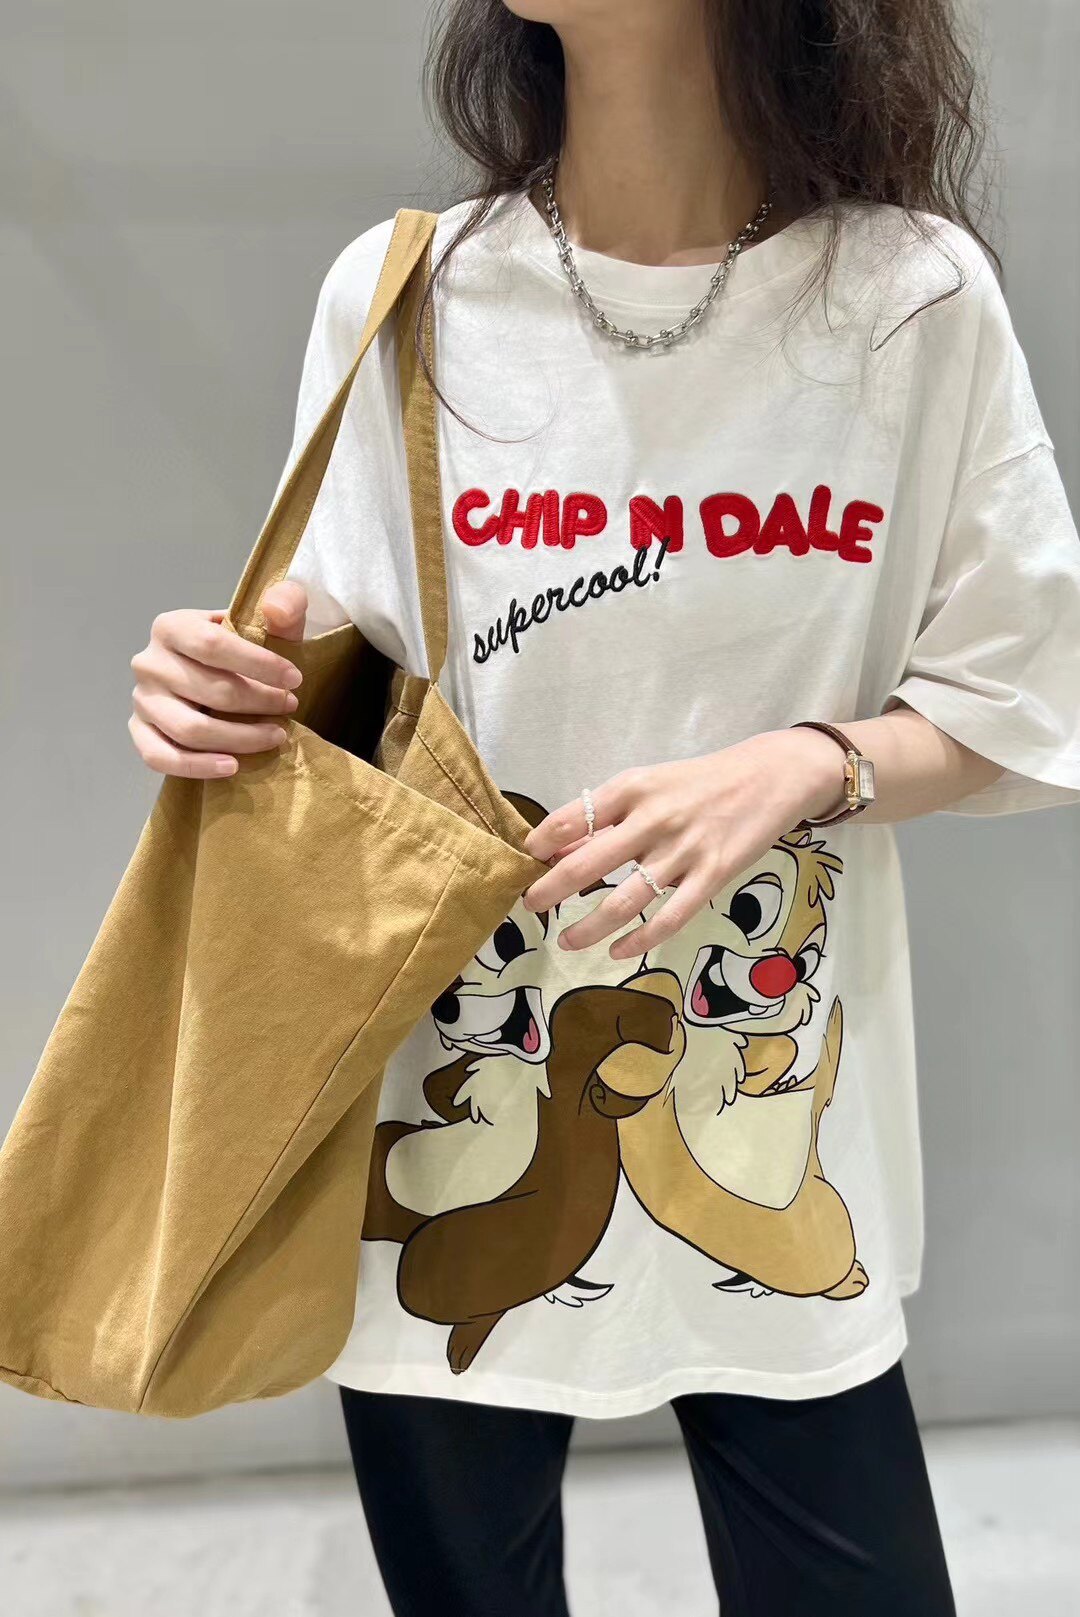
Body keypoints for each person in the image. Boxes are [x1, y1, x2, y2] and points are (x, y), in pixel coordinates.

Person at [127, 2, 1080, 1612]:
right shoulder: (410, 292)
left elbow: (1026, 698)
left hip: (762, 1131)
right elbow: (335, 693)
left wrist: (813, 761)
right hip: (448, 1110)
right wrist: (214, 694)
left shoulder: (907, 302)